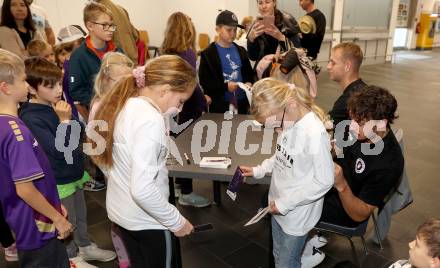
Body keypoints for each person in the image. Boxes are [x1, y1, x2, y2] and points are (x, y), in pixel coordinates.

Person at [90, 55, 195, 267]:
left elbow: (101, 157)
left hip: (122, 214)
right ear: (164, 90)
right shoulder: (150, 119)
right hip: (148, 221)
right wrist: (176, 221)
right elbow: (142, 189)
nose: (179, 108)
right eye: (180, 101)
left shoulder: (124, 104)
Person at [19, 57, 116, 268]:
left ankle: (85, 244)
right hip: (58, 179)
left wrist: (69, 119)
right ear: (33, 89)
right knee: (68, 218)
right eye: (50, 85)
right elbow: (59, 150)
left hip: (73, 172)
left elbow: (78, 134)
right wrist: (64, 121)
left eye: (59, 83)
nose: (57, 90)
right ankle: (71, 256)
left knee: (81, 214)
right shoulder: (30, 117)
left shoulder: (56, 106)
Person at [302, 86, 405, 267]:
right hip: (332, 187)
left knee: (287, 203)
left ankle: (297, 253)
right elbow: (341, 150)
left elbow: (359, 215)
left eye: (360, 122)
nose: (352, 126)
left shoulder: (389, 163)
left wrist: (341, 185)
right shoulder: (361, 133)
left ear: (382, 122)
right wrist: (328, 146)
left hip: (347, 208)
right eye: (352, 119)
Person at [240, 78, 334, 268]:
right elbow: (281, 155)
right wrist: (260, 170)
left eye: (275, 124)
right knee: (278, 256)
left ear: (290, 104)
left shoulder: (314, 133)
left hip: (296, 214)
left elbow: (324, 181)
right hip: (278, 205)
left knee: (287, 263)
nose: (276, 130)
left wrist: (285, 203)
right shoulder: (287, 120)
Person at [0, 48, 72, 267]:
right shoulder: (15, 131)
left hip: (27, 219)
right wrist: (57, 217)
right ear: (6, 87)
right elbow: (25, 188)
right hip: (39, 226)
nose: (26, 85)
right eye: (22, 80)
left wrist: (54, 204)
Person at [161, 11, 211, 208]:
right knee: (187, 150)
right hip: (187, 108)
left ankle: (179, 187)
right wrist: (203, 101)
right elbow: (190, 84)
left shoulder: (165, 52)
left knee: (175, 148)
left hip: (171, 109)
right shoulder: (187, 52)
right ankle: (186, 192)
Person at [88, 52, 133, 268]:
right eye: (122, 80)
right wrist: (111, 172)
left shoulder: (126, 100)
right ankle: (124, 257)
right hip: (114, 171)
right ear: (107, 79)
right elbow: (96, 147)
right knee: (118, 217)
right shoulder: (99, 107)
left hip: (129, 167)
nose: (128, 84)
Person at [69, 1, 120, 121]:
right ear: (90, 26)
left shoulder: (117, 50)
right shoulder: (78, 56)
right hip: (99, 112)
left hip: (119, 106)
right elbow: (76, 90)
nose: (110, 29)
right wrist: (100, 99)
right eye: (105, 25)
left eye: (111, 25)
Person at [199, 10, 255, 114]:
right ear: (217, 29)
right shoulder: (208, 54)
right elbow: (205, 83)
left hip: (241, 103)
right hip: (219, 106)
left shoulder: (241, 51)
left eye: (235, 30)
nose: (233, 33)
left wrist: (249, 82)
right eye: (229, 30)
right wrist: (225, 87)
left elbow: (249, 74)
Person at [247, 0, 301, 65]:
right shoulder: (256, 24)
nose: (263, 6)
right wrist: (251, 40)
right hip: (263, 70)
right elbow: (253, 57)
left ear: (274, 3)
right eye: (260, 3)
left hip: (285, 69)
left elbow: (298, 51)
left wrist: (281, 37)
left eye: (267, 2)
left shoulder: (287, 20)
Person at [327, 42, 367, 130]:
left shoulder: (347, 101)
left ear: (347, 66)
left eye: (333, 63)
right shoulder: (364, 89)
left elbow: (322, 127)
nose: (328, 66)